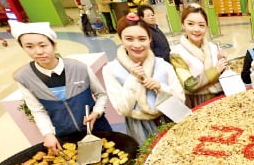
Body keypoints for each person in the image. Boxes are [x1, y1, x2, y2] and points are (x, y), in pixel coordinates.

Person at [10, 21, 112, 153]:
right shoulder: (24, 78)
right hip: (65, 136)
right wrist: (47, 134)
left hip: (97, 128)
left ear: (54, 45)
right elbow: (38, 110)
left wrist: (96, 112)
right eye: (29, 47)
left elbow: (101, 95)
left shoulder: (79, 68)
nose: (38, 52)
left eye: (43, 45)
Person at [102, 13, 185, 145]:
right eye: (129, 39)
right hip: (139, 126)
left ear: (149, 39)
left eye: (142, 39)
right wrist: (133, 79)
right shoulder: (111, 70)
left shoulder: (163, 65)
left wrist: (160, 87)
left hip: (168, 117)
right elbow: (122, 109)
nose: (137, 45)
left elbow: (181, 99)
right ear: (121, 39)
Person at [170, 4, 227, 108]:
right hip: (198, 101)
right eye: (191, 24)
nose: (196, 29)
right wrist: (216, 70)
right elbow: (189, 85)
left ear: (206, 27)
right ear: (183, 24)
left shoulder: (212, 47)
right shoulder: (177, 53)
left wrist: (222, 62)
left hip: (219, 97)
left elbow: (222, 74)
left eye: (201, 25)